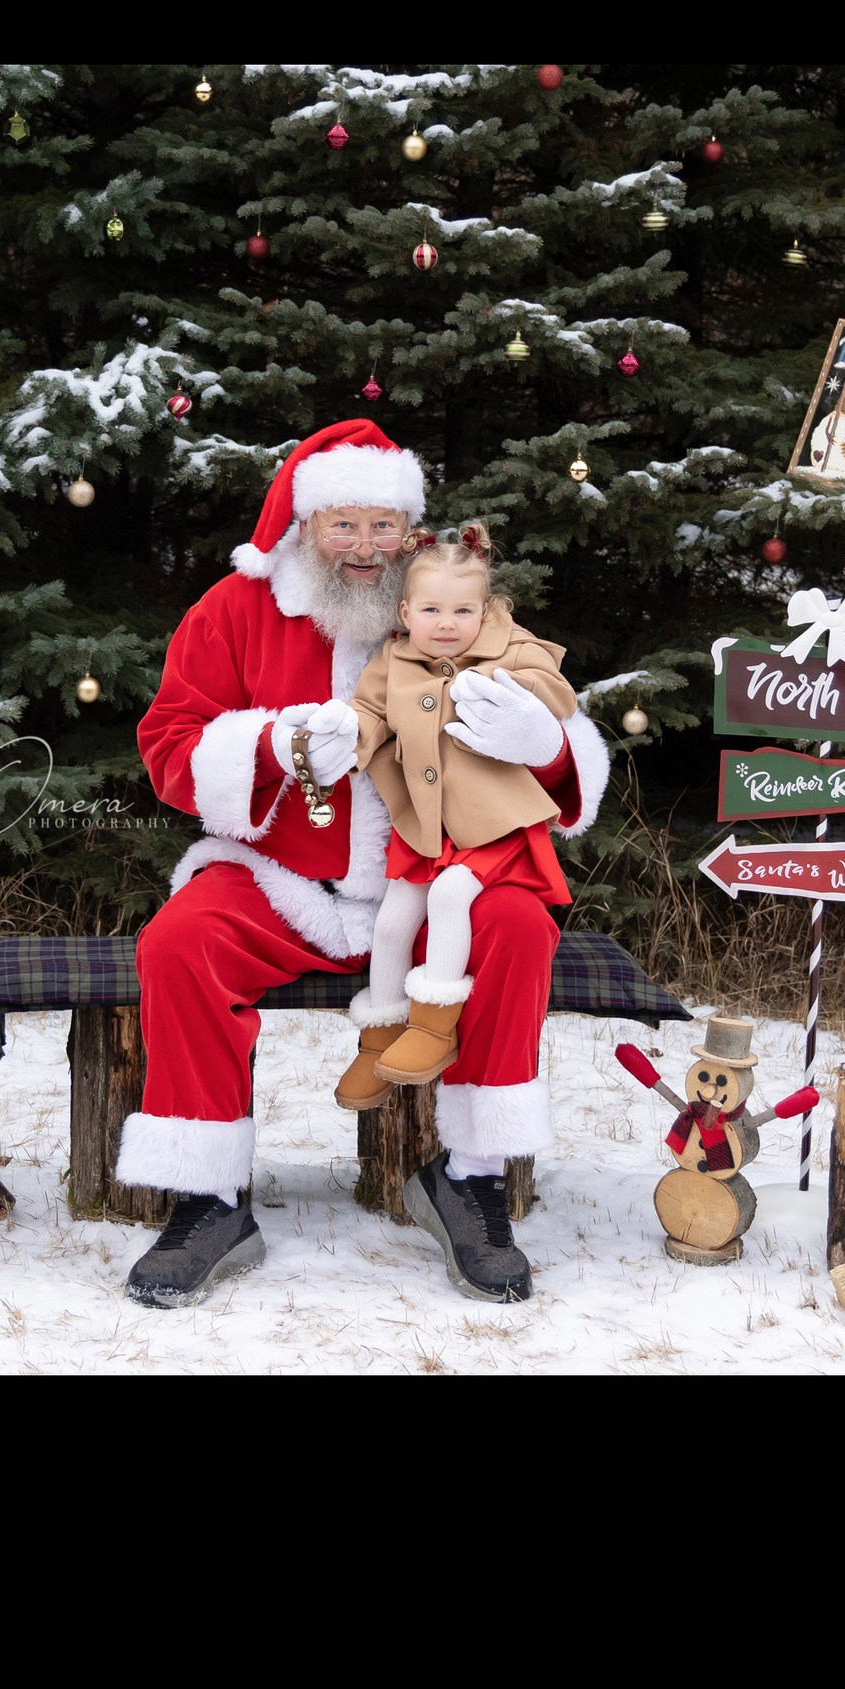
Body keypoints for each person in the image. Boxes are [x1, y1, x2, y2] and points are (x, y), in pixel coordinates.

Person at [117, 420, 610, 1309]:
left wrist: (546, 743)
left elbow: (551, 718)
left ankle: (470, 1175)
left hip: (439, 884)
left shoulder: (449, 603)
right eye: (344, 525)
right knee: (178, 943)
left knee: (518, 923)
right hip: (284, 882)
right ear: (305, 524)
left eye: (384, 528)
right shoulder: (234, 610)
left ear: (412, 531)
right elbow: (169, 748)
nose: (365, 549)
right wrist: (274, 743)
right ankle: (209, 1198)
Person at [310, 523, 578, 1128]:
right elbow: (371, 712)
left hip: (492, 829)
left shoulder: (509, 648)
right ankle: (379, 1039)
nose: (448, 623)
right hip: (426, 829)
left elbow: (554, 691)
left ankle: (434, 1025)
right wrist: (344, 730)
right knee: (394, 919)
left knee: (454, 896)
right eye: (432, 609)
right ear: (406, 611)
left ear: (486, 610)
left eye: (464, 610)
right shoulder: (394, 659)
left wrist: (521, 702)